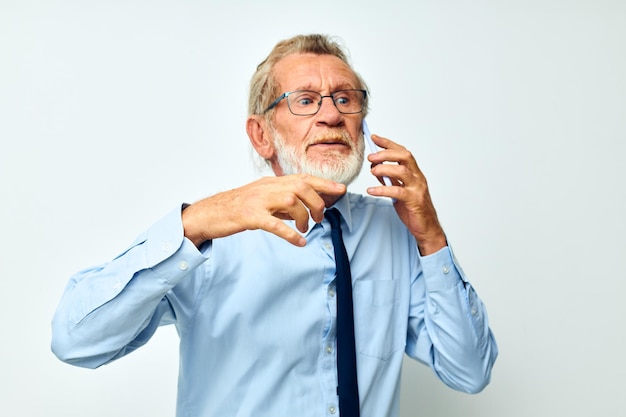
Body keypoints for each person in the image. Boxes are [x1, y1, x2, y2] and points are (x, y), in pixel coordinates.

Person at [51, 33, 498, 417]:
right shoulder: (211, 236)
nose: (331, 115)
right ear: (261, 135)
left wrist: (431, 236)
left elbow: (469, 372)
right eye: (305, 100)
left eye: (345, 98)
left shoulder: (396, 229)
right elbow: (76, 340)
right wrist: (195, 223)